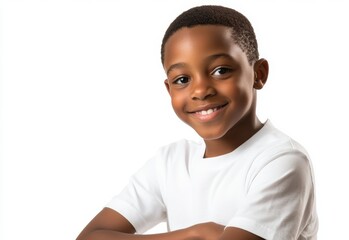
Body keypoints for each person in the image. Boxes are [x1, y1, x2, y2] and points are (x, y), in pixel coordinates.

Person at [77, 5, 318, 240]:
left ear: (259, 74)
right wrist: (195, 234)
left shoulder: (282, 160)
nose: (200, 91)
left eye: (221, 70)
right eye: (182, 79)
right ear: (168, 88)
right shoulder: (170, 163)